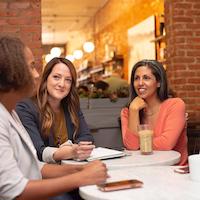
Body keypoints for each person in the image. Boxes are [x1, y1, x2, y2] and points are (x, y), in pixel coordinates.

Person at [0, 35, 108, 200]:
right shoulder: (14, 112)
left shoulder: (10, 113)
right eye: (31, 67)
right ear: (12, 72)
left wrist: (79, 170)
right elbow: (13, 190)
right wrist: (81, 176)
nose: (36, 75)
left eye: (68, 80)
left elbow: (36, 166)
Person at [16, 57, 95, 164]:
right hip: (42, 175)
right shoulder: (26, 108)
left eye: (68, 80)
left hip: (71, 169)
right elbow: (36, 150)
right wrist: (69, 151)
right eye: (56, 77)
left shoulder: (71, 106)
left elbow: (87, 137)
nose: (62, 84)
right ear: (46, 79)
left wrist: (69, 147)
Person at [121, 59, 188, 165]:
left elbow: (166, 144)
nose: (140, 83)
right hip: (143, 170)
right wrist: (133, 111)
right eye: (136, 78)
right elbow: (132, 147)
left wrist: (140, 145)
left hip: (174, 171)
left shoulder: (175, 105)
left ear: (158, 82)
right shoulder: (127, 111)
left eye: (146, 78)